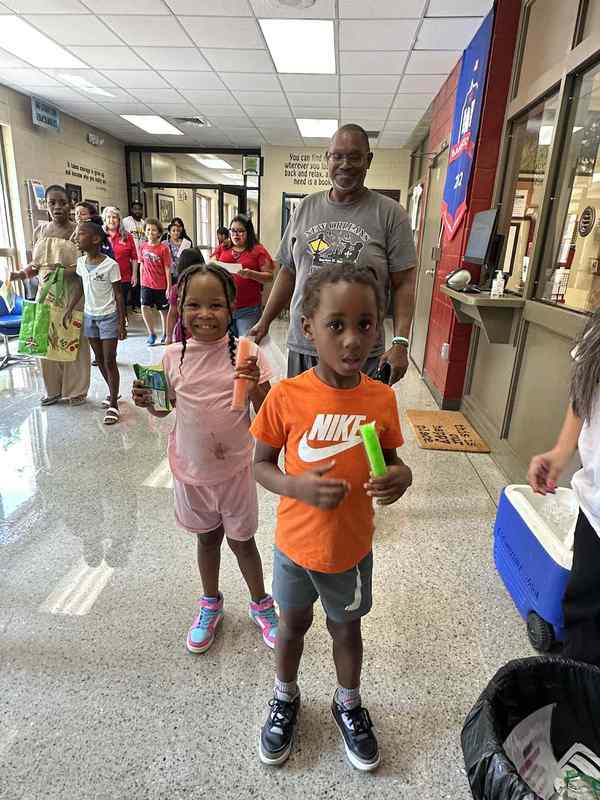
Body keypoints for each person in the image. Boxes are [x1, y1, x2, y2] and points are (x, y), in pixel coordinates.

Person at [251, 262, 412, 770]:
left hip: (348, 550)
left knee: (346, 629)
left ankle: (349, 702)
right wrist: (294, 486)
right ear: (307, 328)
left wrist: (400, 478)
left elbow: (393, 461)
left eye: (365, 325)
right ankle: (285, 696)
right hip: (295, 549)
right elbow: (260, 465)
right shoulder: (287, 396)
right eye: (335, 325)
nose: (351, 341)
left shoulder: (380, 399)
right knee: (291, 625)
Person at [132, 262, 279, 654]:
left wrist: (253, 389)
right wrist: (149, 401)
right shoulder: (173, 356)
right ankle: (210, 602)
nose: (204, 314)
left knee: (243, 542)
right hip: (192, 469)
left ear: (231, 307)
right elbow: (164, 410)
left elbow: (271, 417)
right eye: (193, 305)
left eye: (215, 304)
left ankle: (261, 604)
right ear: (179, 309)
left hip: (235, 470)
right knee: (207, 539)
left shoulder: (247, 354)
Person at [250, 123, 417, 384]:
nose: (345, 164)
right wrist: (265, 320)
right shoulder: (305, 207)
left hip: (359, 350)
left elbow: (404, 284)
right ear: (327, 159)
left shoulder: (390, 214)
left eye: (354, 156)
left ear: (368, 160)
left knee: (359, 424)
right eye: (338, 156)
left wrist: (401, 342)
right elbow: (288, 271)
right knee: (305, 421)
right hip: (305, 343)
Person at [528, 310, 600, 665]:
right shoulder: (597, 328)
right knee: (585, 624)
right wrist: (561, 450)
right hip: (596, 515)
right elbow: (583, 390)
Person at [10, 184, 90, 405]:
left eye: (62, 202)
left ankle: (76, 390)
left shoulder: (79, 232)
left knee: (72, 340)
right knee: (45, 342)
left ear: (70, 205)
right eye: (52, 202)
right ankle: (52, 389)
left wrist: (64, 272)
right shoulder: (40, 231)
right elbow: (35, 265)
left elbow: (86, 266)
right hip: (45, 293)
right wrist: (19, 274)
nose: (57, 207)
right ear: (46, 205)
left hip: (71, 292)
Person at [63, 221, 126, 425]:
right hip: (90, 316)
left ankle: (114, 404)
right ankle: (113, 393)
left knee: (109, 360)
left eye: (80, 234)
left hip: (108, 316)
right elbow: (81, 289)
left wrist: (121, 323)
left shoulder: (111, 265)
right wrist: (70, 308)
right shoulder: (81, 263)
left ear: (96, 239)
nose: (76, 237)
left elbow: (119, 295)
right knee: (98, 359)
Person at [212, 214, 274, 337]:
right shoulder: (223, 248)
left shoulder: (258, 250)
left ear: (248, 232)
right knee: (225, 347)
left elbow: (269, 276)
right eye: (233, 231)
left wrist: (251, 274)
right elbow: (211, 263)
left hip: (248, 309)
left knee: (246, 346)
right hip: (224, 307)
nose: (236, 234)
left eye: (240, 231)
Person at [139, 217, 172, 346]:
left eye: (153, 230)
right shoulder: (142, 247)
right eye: (148, 229)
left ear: (159, 233)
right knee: (144, 307)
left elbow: (167, 268)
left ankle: (165, 333)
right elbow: (142, 264)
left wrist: (169, 287)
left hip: (161, 285)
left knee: (163, 311)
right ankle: (151, 333)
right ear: (145, 231)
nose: (150, 232)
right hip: (146, 284)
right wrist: (141, 280)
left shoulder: (163, 249)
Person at [102, 206, 139, 315]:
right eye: (108, 217)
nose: (111, 220)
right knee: (108, 304)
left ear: (119, 220)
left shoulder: (127, 236)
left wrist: (134, 275)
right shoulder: (100, 235)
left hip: (123, 277)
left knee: (120, 301)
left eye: (114, 217)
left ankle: (122, 322)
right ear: (104, 219)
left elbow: (134, 257)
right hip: (104, 277)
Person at [165, 247, 205, 344]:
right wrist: (168, 336)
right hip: (198, 330)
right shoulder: (177, 289)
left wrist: (169, 337)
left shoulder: (177, 288)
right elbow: (172, 314)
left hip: (190, 331)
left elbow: (172, 314)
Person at [123, 201, 146, 312]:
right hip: (130, 258)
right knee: (132, 282)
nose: (137, 211)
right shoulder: (126, 222)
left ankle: (138, 304)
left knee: (140, 282)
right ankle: (133, 305)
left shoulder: (143, 223)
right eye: (135, 209)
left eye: (139, 209)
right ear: (131, 210)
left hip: (142, 258)